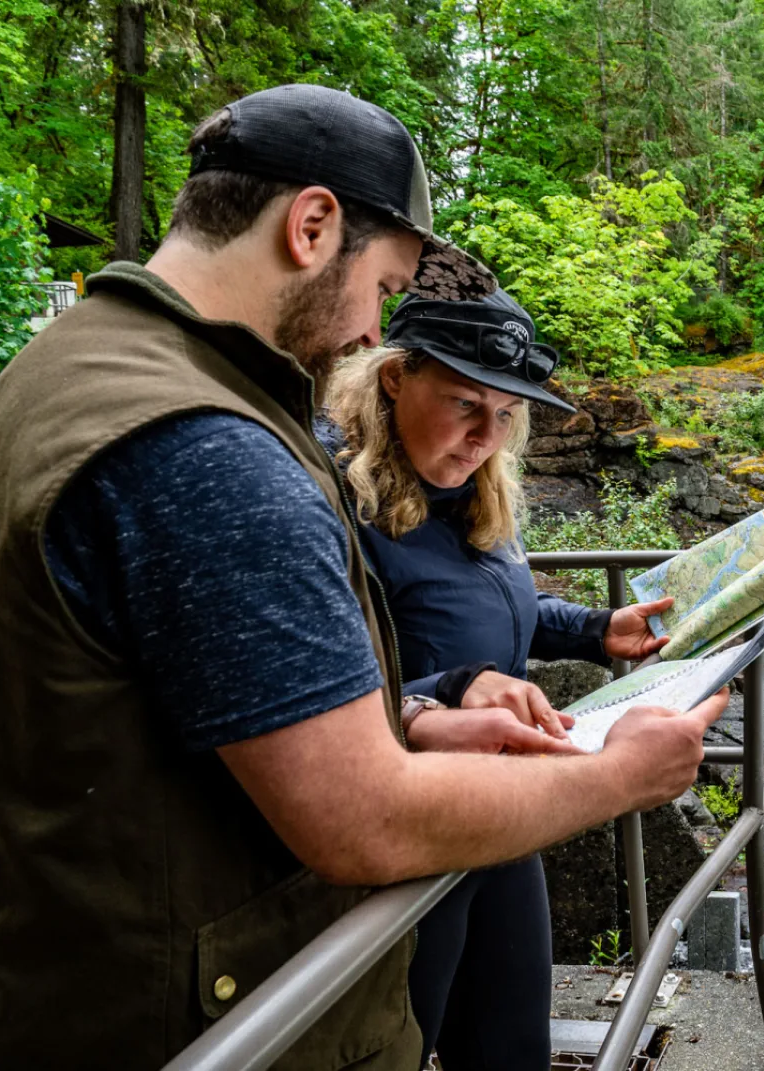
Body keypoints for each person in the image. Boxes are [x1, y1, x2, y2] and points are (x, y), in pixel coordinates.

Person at [0, 83, 724, 1071]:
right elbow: (363, 820)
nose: (374, 333)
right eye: (384, 286)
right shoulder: (208, 449)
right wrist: (621, 775)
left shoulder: (57, 374)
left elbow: (180, 696)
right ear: (313, 225)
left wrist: (420, 716)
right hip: (195, 1018)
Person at [320, 288, 675, 1067]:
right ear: (392, 378)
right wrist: (453, 684)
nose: (487, 436)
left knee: (515, 1050)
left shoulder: (477, 490)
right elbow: (328, 690)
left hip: (505, 818)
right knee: (393, 1050)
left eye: (507, 413)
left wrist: (592, 629)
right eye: (465, 405)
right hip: (408, 833)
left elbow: (494, 610)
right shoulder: (332, 507)